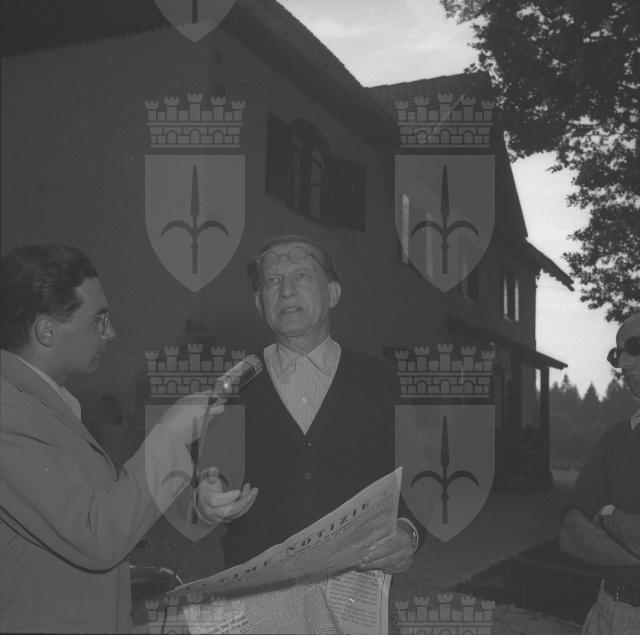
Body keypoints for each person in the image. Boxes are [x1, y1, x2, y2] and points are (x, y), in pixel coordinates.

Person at [0, 244, 255, 633]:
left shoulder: (43, 405)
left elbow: (109, 513)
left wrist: (198, 507)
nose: (111, 333)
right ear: (46, 330)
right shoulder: (10, 412)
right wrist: (170, 434)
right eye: (98, 320)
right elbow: (98, 536)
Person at [215, 234, 424, 574]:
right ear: (259, 303)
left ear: (333, 293)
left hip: (354, 590)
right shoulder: (233, 386)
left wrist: (409, 533)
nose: (286, 291)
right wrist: (205, 503)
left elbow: (418, 483)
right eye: (273, 280)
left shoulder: (380, 380)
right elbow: (206, 483)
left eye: (302, 276)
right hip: (259, 592)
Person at [559, 312, 640, 634]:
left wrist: (606, 516)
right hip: (612, 614)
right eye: (617, 354)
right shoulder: (616, 438)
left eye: (635, 347)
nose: (623, 363)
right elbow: (570, 534)